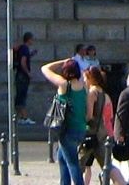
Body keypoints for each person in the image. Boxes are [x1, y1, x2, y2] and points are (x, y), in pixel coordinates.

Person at [42, 56, 90, 185]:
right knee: (62, 158)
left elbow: (44, 68)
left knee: (72, 163)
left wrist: (62, 62)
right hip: (80, 129)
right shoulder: (83, 85)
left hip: (67, 130)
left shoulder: (63, 84)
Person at [82, 66, 116, 185]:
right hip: (102, 133)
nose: (84, 81)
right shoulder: (103, 93)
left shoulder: (92, 92)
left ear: (90, 78)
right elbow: (109, 115)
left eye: (85, 78)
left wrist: (80, 121)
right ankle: (123, 183)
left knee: (78, 164)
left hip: (90, 134)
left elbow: (89, 116)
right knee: (108, 165)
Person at [15, 32, 39, 125]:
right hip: (23, 76)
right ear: (28, 39)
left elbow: (24, 58)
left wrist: (31, 54)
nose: (33, 41)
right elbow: (23, 62)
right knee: (22, 96)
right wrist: (28, 73)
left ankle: (19, 117)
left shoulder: (22, 48)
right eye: (32, 39)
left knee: (19, 96)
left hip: (19, 75)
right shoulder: (25, 48)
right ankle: (24, 117)